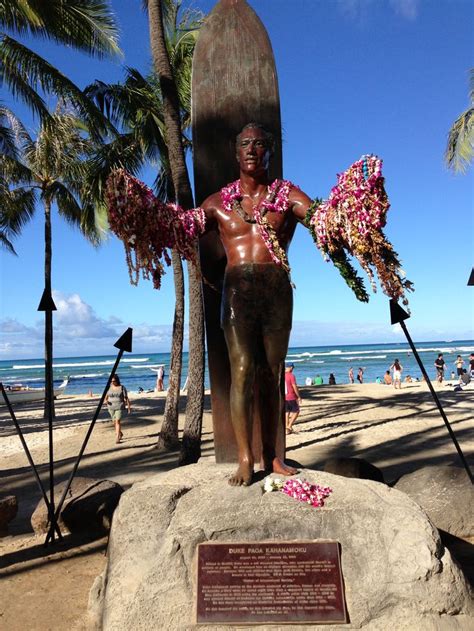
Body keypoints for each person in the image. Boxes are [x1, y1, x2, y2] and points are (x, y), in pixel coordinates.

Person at [201, 123, 314, 485]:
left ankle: (272, 456)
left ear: (269, 152)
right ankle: (246, 458)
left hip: (276, 288)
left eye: (259, 144)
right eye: (245, 144)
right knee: (244, 370)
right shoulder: (218, 203)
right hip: (237, 292)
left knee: (272, 373)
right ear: (236, 154)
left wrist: (342, 219)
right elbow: (183, 228)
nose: (252, 149)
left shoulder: (287, 194)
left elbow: (317, 217)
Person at [105, 375, 131, 444]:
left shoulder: (122, 388)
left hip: (119, 406)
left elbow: (126, 398)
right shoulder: (109, 387)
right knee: (114, 422)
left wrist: (128, 407)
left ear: (117, 380)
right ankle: (120, 433)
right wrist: (106, 401)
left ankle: (117, 437)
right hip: (110, 407)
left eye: (114, 381)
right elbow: (106, 396)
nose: (112, 382)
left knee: (117, 421)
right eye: (111, 381)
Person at [284, 364, 302, 434]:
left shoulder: (282, 375)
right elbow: (294, 386)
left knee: (287, 412)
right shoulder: (291, 375)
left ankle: (286, 427)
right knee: (296, 411)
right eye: (293, 368)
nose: (293, 369)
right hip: (291, 396)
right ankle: (289, 426)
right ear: (291, 368)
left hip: (284, 396)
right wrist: (298, 396)